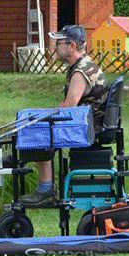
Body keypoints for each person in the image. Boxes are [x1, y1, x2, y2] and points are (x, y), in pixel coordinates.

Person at [20, 24, 108, 206]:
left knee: (38, 129)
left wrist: (43, 117)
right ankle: (23, 162)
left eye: (59, 43)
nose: (55, 47)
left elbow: (69, 105)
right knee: (37, 124)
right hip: (87, 123)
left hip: (88, 128)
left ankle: (45, 190)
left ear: (72, 46)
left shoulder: (81, 71)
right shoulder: (84, 65)